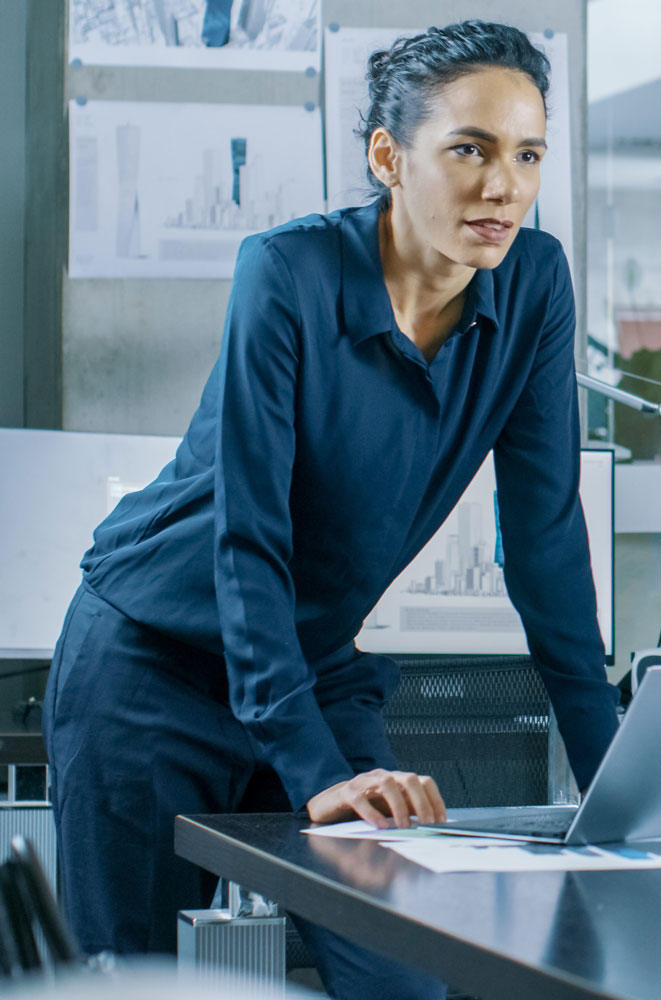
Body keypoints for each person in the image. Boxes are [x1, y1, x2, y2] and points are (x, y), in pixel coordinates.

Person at [42, 20, 619, 999]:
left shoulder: (534, 282)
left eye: (527, 154)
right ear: (389, 157)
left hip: (313, 664)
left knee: (406, 971)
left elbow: (546, 537)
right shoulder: (290, 271)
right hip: (151, 662)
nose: (502, 186)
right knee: (130, 980)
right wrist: (315, 769)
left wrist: (622, 782)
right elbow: (249, 540)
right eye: (469, 149)